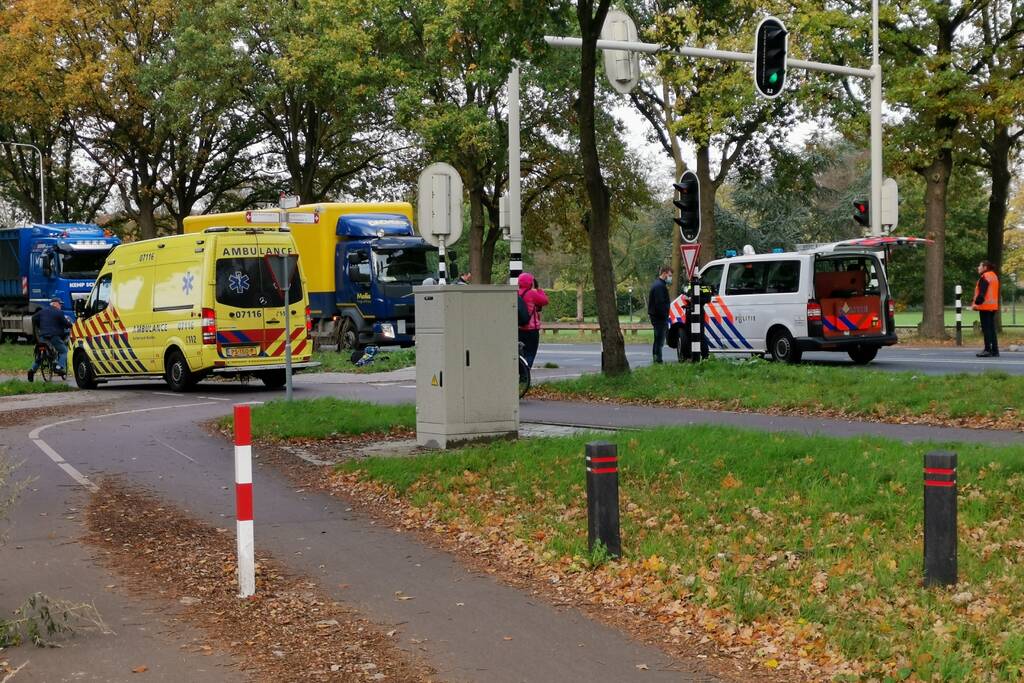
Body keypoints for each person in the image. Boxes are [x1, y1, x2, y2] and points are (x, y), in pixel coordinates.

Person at [28, 297, 72, 381]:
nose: (61, 306)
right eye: (60, 304)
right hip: (53, 337)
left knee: (40, 356)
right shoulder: (59, 312)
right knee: (63, 351)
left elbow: (33, 318)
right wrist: (71, 325)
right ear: (55, 304)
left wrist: (39, 325)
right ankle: (59, 367)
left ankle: (32, 370)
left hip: (42, 337)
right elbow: (65, 323)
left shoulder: (42, 312)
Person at [517, 272, 548, 368]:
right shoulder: (531, 293)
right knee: (530, 353)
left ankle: (521, 372)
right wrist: (539, 290)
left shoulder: (516, 293)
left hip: (518, 328)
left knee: (520, 353)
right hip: (531, 329)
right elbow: (545, 301)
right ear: (531, 283)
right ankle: (526, 373)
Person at [972, 260, 1000, 357]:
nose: (978, 268)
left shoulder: (985, 277)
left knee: (986, 329)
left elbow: (982, 293)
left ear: (985, 268)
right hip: (993, 306)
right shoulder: (994, 276)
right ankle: (995, 350)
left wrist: (976, 303)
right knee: (991, 328)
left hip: (985, 306)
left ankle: (987, 349)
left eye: (980, 266)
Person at [647, 265, 672, 363]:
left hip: (657, 316)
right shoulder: (659, 286)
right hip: (659, 317)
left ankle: (656, 359)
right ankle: (658, 360)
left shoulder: (658, 285)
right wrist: (665, 315)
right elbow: (660, 303)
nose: (670, 277)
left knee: (658, 339)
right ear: (664, 273)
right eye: (670, 275)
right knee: (659, 340)